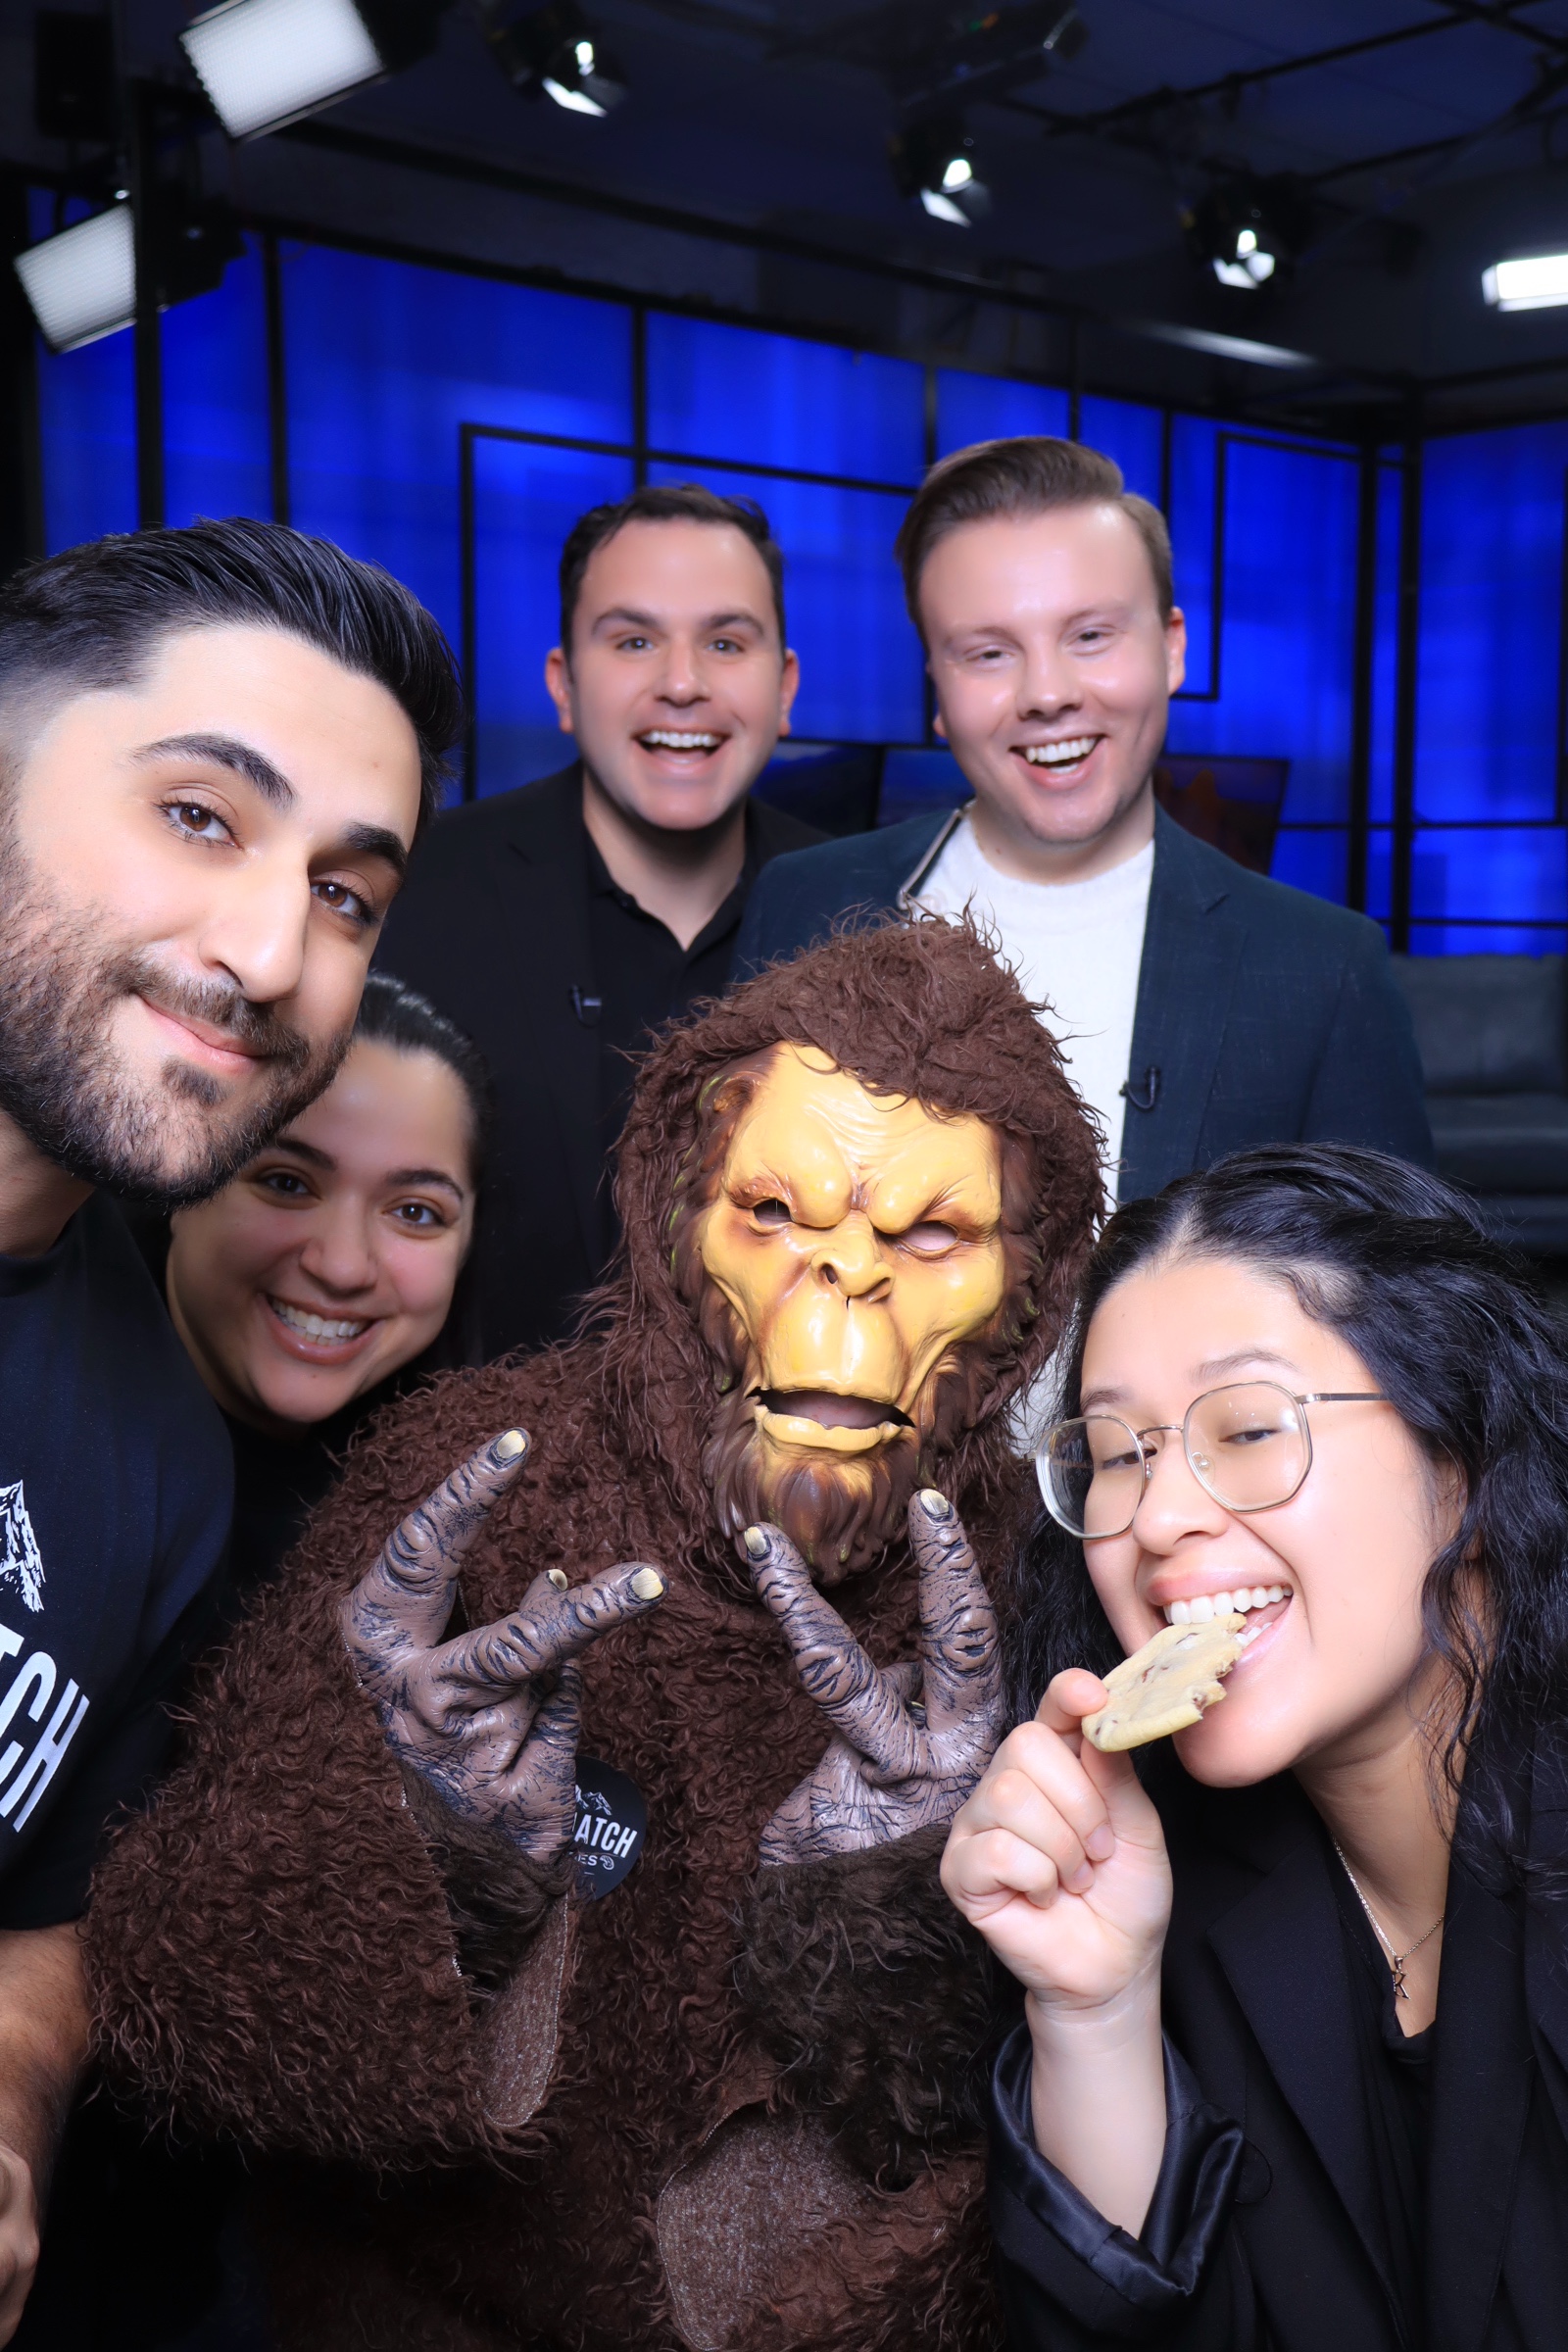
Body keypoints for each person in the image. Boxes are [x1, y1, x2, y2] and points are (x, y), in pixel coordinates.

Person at [86, 918, 1105, 2352]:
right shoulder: (482, 1480)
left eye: (927, 1234)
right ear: (676, 1218)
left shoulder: (1054, 1579)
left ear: (1035, 1280)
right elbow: (171, 2000)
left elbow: (1066, 2186)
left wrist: (882, 1928)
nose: (843, 1285)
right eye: (776, 1214)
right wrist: (445, 1871)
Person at [0, 514, 457, 2348]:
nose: (275, 949)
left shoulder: (154, 1446)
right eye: (201, 815)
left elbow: (53, 1928)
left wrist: (18, 2098)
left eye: (349, 893)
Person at [943, 1143, 1568, 2350]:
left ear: (1466, 1457)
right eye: (1118, 1455)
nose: (1159, 1515)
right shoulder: (1188, 1889)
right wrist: (1095, 2013)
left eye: (1243, 1427)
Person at [736, 438, 1433, 1205]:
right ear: (938, 689)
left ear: (1172, 649)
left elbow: (1400, 1308)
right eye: (989, 652)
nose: (1047, 693)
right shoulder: (801, 903)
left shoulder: (1324, 970)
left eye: (1091, 636)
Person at [377, 480, 824, 1362]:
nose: (683, 683)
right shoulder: (416, 889)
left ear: (785, 686)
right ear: (565, 685)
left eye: (726, 642)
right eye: (634, 640)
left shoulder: (857, 907)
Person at [159, 970, 488, 1602]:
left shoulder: (450, 1543)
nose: (341, 1267)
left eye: (415, 1212)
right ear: (180, 1179)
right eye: (287, 1182)